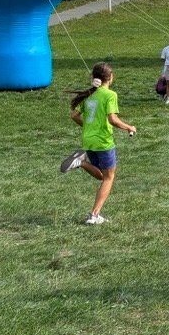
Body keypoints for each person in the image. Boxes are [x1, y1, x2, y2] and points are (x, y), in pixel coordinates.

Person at [60, 62, 136, 225]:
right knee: (109, 178)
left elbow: (74, 115)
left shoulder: (89, 94)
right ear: (110, 77)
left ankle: (80, 162)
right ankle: (94, 215)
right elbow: (112, 119)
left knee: (102, 175)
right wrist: (129, 127)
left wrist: (88, 126)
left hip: (88, 140)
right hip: (103, 141)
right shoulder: (110, 95)